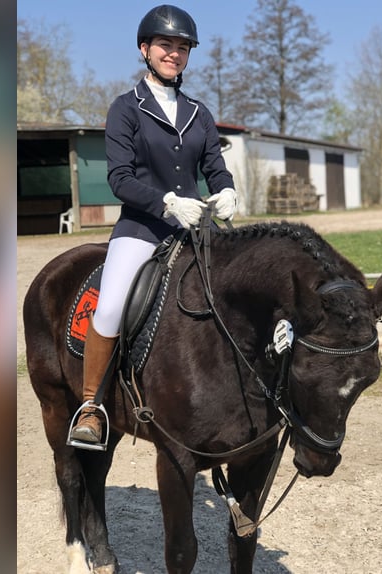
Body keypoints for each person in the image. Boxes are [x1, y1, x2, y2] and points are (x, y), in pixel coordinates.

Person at [70, 4, 238, 444]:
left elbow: (214, 167)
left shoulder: (198, 112)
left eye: (183, 48)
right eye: (166, 45)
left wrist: (227, 190)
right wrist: (166, 203)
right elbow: (119, 179)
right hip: (143, 228)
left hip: (195, 228)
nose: (174, 54)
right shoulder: (125, 108)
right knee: (109, 307)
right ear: (145, 49)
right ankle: (91, 406)